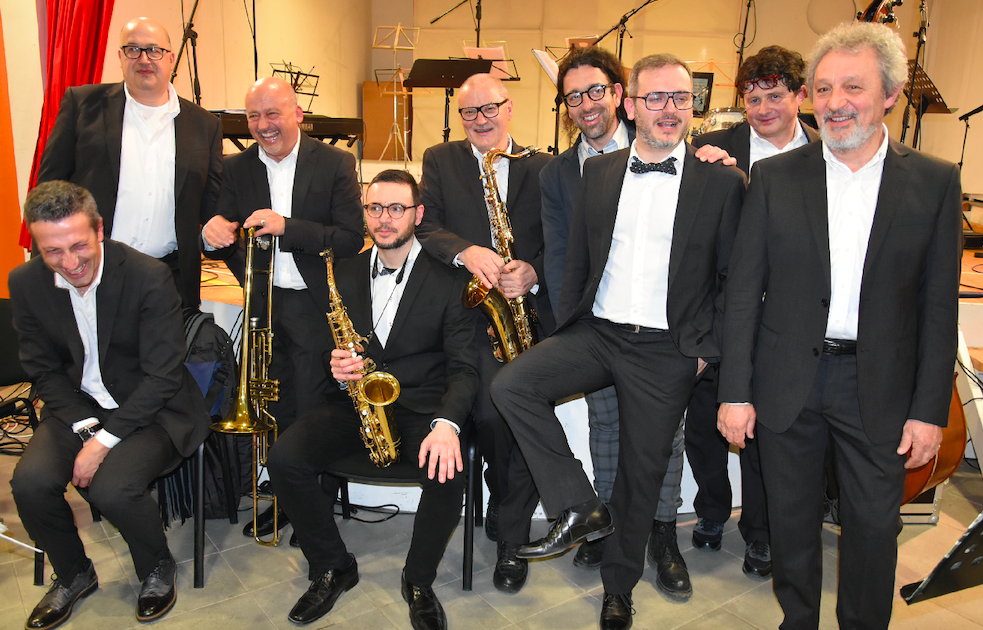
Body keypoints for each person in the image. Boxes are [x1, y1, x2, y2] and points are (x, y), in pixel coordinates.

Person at [717, 22, 961, 629]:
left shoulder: (934, 182)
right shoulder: (776, 178)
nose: (834, 102)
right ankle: (797, 620)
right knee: (792, 525)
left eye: (853, 86)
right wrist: (735, 392)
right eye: (824, 88)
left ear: (890, 95)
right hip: (787, 382)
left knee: (874, 530)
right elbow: (743, 294)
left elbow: (938, 306)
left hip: (879, 387)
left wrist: (929, 410)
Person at [492, 54, 746, 630]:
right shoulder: (600, 173)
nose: (669, 109)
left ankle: (618, 587)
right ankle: (580, 505)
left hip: (667, 348)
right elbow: (576, 255)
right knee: (513, 386)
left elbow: (734, 278)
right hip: (599, 332)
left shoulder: (722, 180)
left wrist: (706, 351)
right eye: (655, 98)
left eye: (680, 98)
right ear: (631, 105)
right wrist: (570, 319)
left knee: (640, 474)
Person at [266, 170, 477, 630]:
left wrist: (448, 425)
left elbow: (465, 368)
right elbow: (329, 344)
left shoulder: (449, 279)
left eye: (397, 208)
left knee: (448, 472)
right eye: (375, 208)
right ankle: (333, 565)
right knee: (284, 459)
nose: (384, 219)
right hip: (355, 404)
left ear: (418, 214)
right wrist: (334, 363)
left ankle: (417, 580)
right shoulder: (344, 272)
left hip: (422, 407)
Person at [9, 181, 211, 629]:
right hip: (76, 407)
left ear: (99, 229)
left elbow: (162, 376)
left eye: (79, 245)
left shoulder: (147, 275)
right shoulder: (25, 283)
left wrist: (102, 444)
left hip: (152, 408)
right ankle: (74, 573)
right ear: (37, 246)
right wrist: (87, 429)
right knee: (30, 483)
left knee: (112, 487)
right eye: (53, 251)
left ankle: (157, 565)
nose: (70, 263)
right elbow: (43, 370)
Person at [539, 45, 691, 598]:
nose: (586, 104)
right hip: (598, 329)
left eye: (595, 91)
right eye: (573, 97)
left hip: (664, 333)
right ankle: (604, 522)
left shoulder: (674, 147)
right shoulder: (558, 172)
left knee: (664, 437)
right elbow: (560, 256)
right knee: (604, 428)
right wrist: (570, 327)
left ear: (621, 96)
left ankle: (662, 531)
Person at [201, 76, 364, 539]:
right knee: (276, 407)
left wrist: (287, 227)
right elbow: (222, 233)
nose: (263, 125)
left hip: (314, 306)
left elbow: (351, 238)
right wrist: (210, 234)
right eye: (254, 116)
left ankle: (316, 507)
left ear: (297, 114)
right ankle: (290, 501)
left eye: (272, 113)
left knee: (313, 409)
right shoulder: (235, 168)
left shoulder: (334, 162)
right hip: (264, 305)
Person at [416, 73, 553, 594]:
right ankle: (504, 496)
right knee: (493, 414)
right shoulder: (440, 158)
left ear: (509, 107)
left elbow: (565, 239)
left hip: (527, 313)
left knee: (522, 415)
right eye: (469, 112)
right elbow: (426, 227)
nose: (480, 120)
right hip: (467, 314)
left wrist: (534, 272)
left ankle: (510, 535)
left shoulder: (542, 165)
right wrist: (466, 251)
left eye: (489, 108)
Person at [687, 45, 820, 578]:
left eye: (775, 96)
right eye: (753, 98)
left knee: (768, 432)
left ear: (800, 95)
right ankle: (712, 508)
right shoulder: (713, 149)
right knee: (704, 423)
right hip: (721, 310)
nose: (763, 108)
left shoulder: (827, 149)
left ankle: (760, 532)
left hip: (786, 317)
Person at [37, 17, 222, 309]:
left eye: (154, 50)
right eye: (133, 49)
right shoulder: (82, 104)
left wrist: (217, 231)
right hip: (91, 270)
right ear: (120, 57)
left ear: (171, 58)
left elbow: (212, 205)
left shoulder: (204, 124)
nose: (144, 59)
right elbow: (49, 189)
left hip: (169, 278)